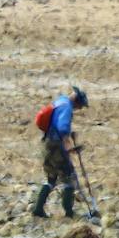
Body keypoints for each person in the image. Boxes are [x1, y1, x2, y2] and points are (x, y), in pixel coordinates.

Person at [33, 86, 89, 218]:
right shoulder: (67, 107)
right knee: (68, 176)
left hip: (47, 143)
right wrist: (69, 146)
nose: (78, 109)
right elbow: (63, 128)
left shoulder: (60, 101)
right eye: (79, 106)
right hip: (57, 145)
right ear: (76, 101)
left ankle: (38, 209)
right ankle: (69, 212)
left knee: (51, 177)